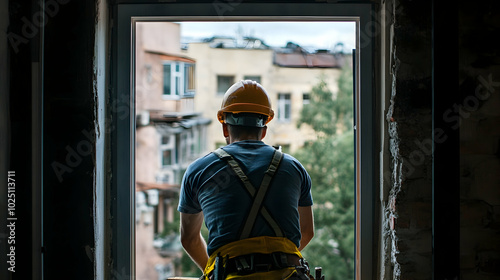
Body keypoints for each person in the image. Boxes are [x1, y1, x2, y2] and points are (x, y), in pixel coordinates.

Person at [178, 80, 315, 280]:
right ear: (264, 130)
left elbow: (189, 239)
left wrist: (217, 270)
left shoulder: (198, 170)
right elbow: (307, 231)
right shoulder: (294, 168)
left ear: (225, 128)